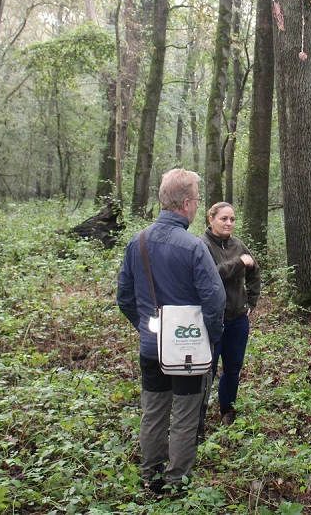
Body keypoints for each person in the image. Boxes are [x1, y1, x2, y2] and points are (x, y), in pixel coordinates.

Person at [116, 168, 226, 495]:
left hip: (151, 348)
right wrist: (210, 335)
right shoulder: (194, 247)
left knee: (153, 412)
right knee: (186, 415)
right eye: (196, 201)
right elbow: (215, 299)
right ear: (187, 203)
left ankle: (151, 475)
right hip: (188, 351)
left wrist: (147, 329)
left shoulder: (137, 242)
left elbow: (124, 296)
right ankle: (177, 482)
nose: (196, 207)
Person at [199, 202, 261, 426]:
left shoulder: (238, 245)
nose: (229, 223)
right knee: (207, 369)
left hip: (237, 318)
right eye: (224, 219)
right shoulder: (201, 245)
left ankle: (228, 410)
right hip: (212, 320)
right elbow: (210, 275)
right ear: (211, 219)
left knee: (233, 368)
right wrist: (237, 263)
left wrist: (251, 301)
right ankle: (199, 414)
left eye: (232, 219)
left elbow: (254, 271)